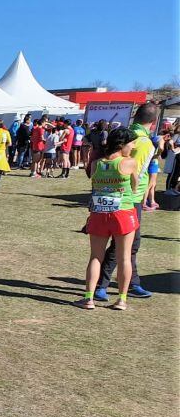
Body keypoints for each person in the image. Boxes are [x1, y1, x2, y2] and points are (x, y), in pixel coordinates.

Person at [95, 102, 159, 302]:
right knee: (126, 244)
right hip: (130, 199)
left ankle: (132, 283)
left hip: (110, 195)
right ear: (154, 122)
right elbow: (135, 172)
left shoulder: (124, 133)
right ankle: (104, 285)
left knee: (126, 244)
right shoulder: (144, 142)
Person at [78, 127, 140, 310]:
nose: (134, 146)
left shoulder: (96, 163)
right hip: (123, 213)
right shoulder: (129, 162)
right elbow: (135, 186)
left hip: (99, 213)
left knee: (95, 257)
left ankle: (88, 298)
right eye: (131, 142)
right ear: (122, 144)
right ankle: (121, 299)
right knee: (124, 258)